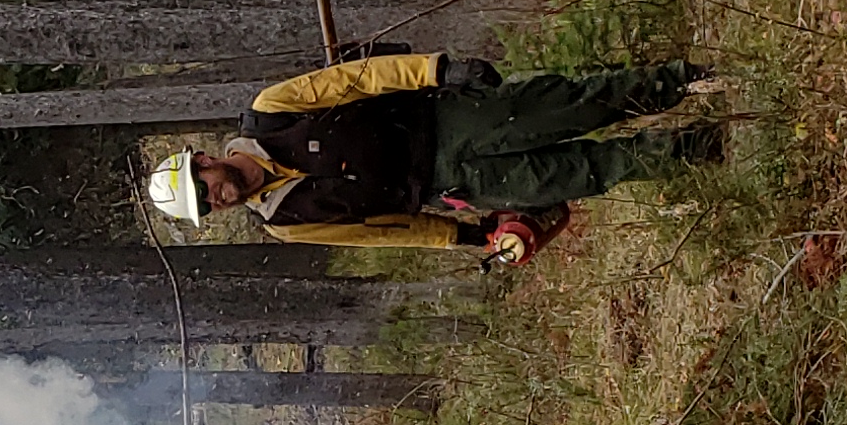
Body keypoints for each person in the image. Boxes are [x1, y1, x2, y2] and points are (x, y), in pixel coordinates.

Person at [141, 51, 718, 264]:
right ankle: (701, 148)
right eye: (206, 208)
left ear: (202, 161)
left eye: (204, 189)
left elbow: (356, 78)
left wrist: (439, 71)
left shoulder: (270, 111)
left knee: (575, 105)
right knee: (581, 173)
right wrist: (460, 238)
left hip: (442, 119)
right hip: (445, 187)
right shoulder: (287, 227)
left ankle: (688, 83)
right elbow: (378, 234)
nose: (215, 200)